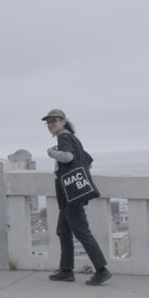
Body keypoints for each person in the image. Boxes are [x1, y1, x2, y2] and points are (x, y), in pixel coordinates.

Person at [43, 109, 112, 286]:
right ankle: (66, 271)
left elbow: (68, 157)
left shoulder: (64, 138)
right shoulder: (73, 138)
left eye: (55, 121)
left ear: (64, 121)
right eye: (48, 122)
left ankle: (102, 270)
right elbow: (87, 160)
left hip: (70, 195)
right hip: (70, 194)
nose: (51, 124)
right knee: (63, 231)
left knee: (82, 232)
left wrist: (51, 152)